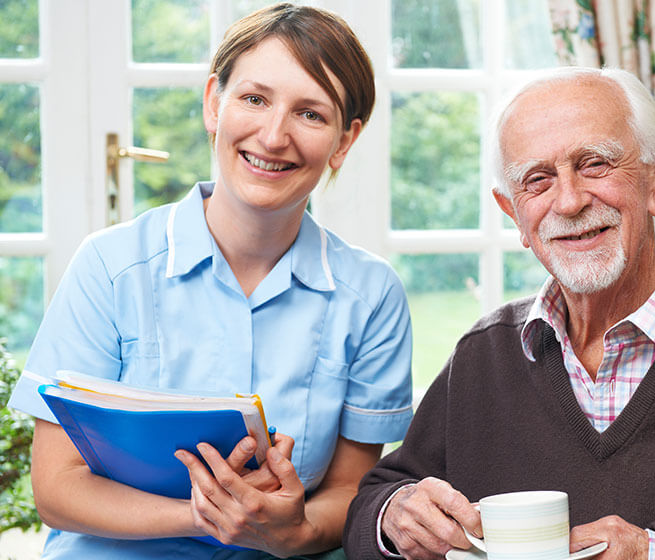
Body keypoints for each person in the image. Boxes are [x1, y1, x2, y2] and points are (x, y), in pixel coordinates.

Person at [342, 66, 655, 560]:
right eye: (537, 180)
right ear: (512, 211)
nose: (571, 200)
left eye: (595, 164)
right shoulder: (483, 354)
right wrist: (395, 515)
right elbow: (376, 500)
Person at [8, 3, 413, 559]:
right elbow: (57, 489)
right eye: (254, 99)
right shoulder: (109, 267)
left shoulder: (372, 296)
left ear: (345, 141)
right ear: (213, 104)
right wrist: (215, 516)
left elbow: (348, 491)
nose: (273, 136)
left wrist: (289, 530)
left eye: (311, 115)